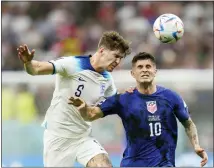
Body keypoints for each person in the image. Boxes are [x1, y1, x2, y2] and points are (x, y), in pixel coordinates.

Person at [69, 52, 208, 167]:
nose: (144, 69)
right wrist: (83, 108)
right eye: (140, 67)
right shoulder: (123, 99)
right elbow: (91, 114)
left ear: (155, 71)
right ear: (133, 73)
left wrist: (196, 145)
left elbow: (188, 123)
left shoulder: (171, 97)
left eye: (148, 66)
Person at [17, 31, 131, 167]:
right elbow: (36, 69)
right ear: (102, 51)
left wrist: (129, 96)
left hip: (83, 138)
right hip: (58, 139)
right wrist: (28, 62)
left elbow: (115, 103)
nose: (118, 61)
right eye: (116, 56)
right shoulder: (72, 63)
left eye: (121, 58)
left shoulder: (107, 80)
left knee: (103, 165)